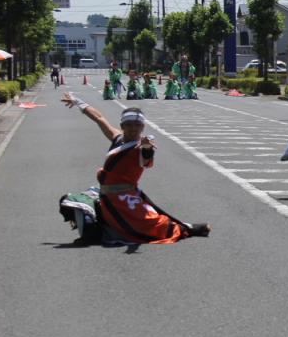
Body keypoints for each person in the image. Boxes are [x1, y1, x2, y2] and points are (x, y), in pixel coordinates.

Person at [59, 93, 210, 244]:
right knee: (71, 201)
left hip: (124, 199)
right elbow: (99, 118)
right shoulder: (117, 138)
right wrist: (78, 101)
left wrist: (146, 148)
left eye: (137, 125)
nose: (133, 129)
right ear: (122, 126)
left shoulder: (140, 147)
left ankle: (191, 228)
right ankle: (95, 232)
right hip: (105, 194)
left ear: (142, 127)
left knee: (155, 227)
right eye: (129, 124)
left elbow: (145, 159)